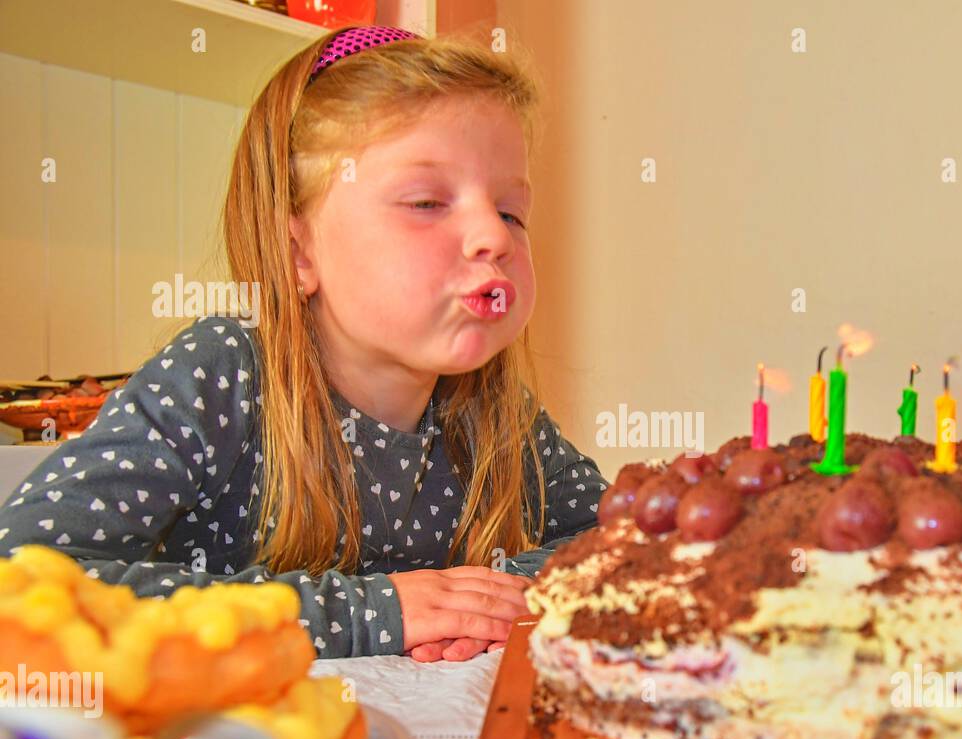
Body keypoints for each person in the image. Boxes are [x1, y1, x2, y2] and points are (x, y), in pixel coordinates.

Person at [0, 27, 608, 663]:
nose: (494, 236)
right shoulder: (221, 375)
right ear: (299, 254)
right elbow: (26, 582)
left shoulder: (495, 408)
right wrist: (373, 613)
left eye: (511, 211)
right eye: (427, 201)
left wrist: (504, 594)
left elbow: (615, 540)